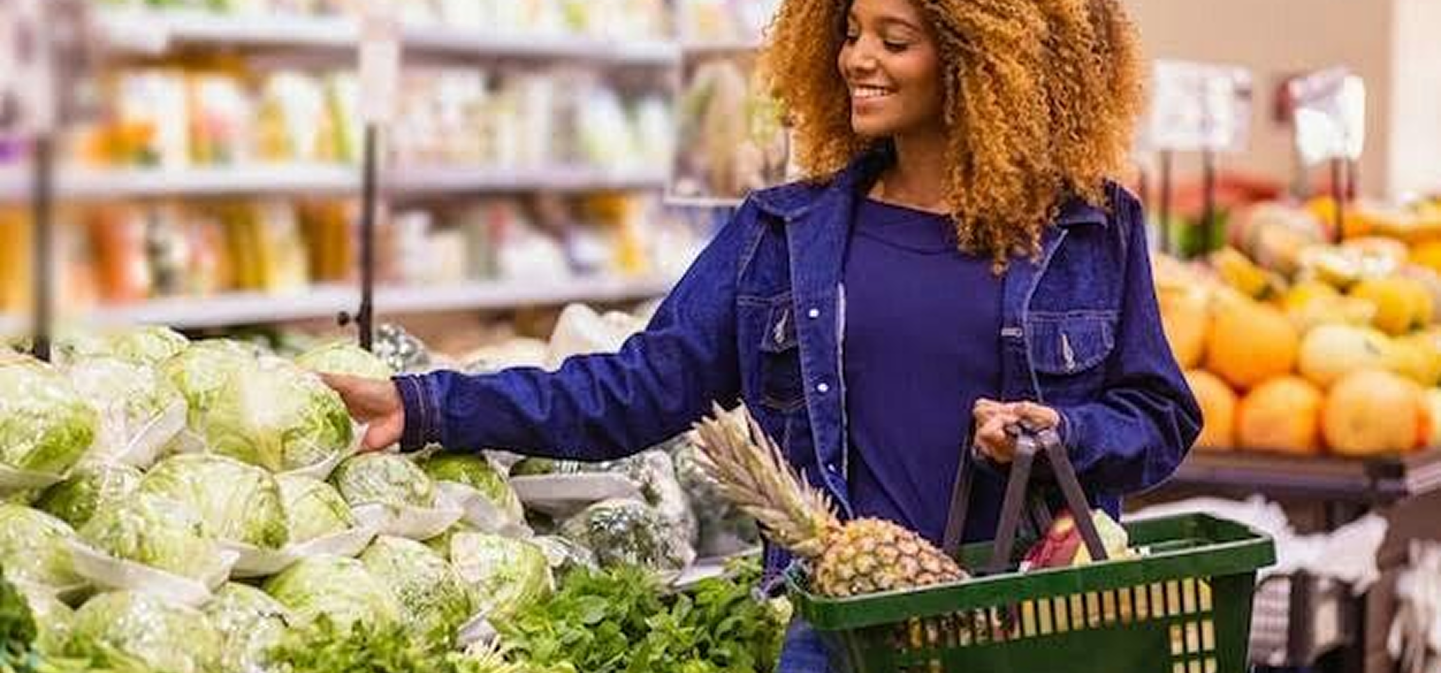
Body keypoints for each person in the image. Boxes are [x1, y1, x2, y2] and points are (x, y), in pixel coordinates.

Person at [322, 0, 1201, 669]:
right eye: (851, 31)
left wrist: (1062, 431)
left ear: (981, 60)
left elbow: (1159, 418)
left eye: (894, 40)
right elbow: (638, 389)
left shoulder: (1090, 230)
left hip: (1032, 629)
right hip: (842, 636)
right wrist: (427, 403)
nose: (858, 57)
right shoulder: (784, 235)